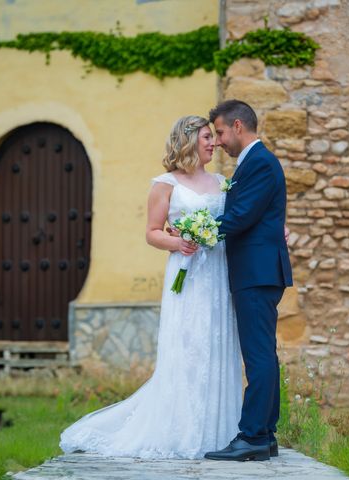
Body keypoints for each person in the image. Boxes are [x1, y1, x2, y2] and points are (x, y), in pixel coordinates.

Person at [59, 115, 242, 459]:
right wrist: (179, 244)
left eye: (212, 138)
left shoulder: (222, 181)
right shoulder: (165, 183)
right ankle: (182, 429)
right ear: (188, 140)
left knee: (216, 345)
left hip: (217, 274)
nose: (213, 143)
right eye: (206, 137)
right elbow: (153, 231)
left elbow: (233, 223)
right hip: (187, 274)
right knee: (188, 347)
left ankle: (219, 431)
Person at [204, 99, 293, 462]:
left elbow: (240, 216)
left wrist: (197, 233)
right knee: (262, 355)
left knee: (257, 356)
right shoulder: (254, 163)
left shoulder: (259, 163)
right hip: (257, 271)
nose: (220, 141)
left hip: (256, 273)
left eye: (221, 132)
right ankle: (266, 434)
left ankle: (253, 435)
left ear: (238, 126)